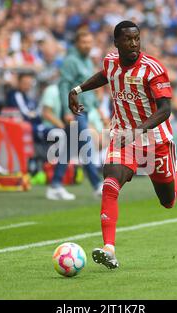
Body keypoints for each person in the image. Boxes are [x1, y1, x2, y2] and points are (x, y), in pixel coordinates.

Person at [66, 21, 177, 269]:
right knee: (110, 184)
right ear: (117, 43)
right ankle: (109, 248)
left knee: (167, 202)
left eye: (136, 38)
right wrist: (78, 89)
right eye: (127, 39)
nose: (133, 43)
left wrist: (137, 131)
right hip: (123, 138)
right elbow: (106, 74)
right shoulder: (111, 62)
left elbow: (166, 109)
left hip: (156, 141)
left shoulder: (153, 69)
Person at [46, 28, 102, 201]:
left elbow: (88, 88)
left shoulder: (86, 61)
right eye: (84, 42)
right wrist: (66, 109)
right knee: (85, 145)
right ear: (77, 44)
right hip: (75, 109)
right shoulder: (71, 61)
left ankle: (55, 185)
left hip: (85, 109)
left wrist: (97, 107)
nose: (87, 45)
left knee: (68, 149)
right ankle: (97, 184)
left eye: (90, 42)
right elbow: (64, 86)